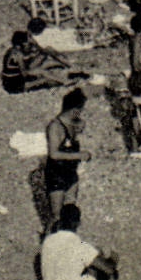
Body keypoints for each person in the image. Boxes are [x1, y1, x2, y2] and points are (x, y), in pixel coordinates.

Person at [40, 204, 114, 280]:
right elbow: (108, 269)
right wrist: (111, 256)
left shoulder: (47, 242)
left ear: (60, 221)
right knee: (92, 265)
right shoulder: (80, 246)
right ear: (78, 223)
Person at [45, 88, 92, 221]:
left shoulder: (73, 123)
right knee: (56, 216)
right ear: (73, 109)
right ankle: (50, 239)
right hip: (57, 173)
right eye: (80, 110)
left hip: (70, 171)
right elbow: (53, 154)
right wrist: (79, 155)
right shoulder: (55, 127)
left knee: (70, 211)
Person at [1, 31, 87, 93]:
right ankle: (65, 81)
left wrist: (35, 44)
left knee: (47, 52)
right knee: (44, 73)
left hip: (18, 74)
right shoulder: (18, 54)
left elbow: (40, 51)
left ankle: (71, 65)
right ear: (20, 45)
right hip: (15, 83)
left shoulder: (13, 50)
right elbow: (24, 73)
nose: (29, 45)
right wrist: (38, 70)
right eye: (28, 44)